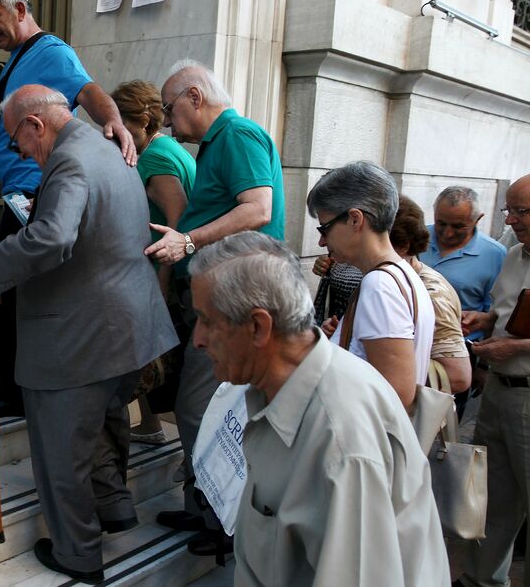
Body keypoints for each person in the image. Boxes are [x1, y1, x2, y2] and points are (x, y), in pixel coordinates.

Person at [0, 85, 177, 585]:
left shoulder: (70, 161)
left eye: (20, 143)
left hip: (82, 335)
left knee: (62, 448)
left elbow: (54, 236)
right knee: (105, 425)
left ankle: (78, 553)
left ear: (36, 124)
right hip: (127, 328)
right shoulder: (107, 147)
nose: (22, 154)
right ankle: (114, 508)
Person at [188, 231, 450, 586]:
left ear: (258, 327)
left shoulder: (341, 442)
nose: (198, 339)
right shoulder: (284, 390)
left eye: (207, 320)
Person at [0, 0, 135, 420]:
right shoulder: (19, 58)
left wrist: (112, 120)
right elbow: (18, 144)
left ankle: (13, 394)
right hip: (16, 194)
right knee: (16, 295)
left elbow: (89, 91)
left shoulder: (51, 51)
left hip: (35, 198)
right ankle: (18, 389)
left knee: (14, 292)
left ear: (21, 10)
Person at [143, 59, 285, 535]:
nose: (166, 120)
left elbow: (258, 208)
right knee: (207, 406)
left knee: (196, 407)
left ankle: (214, 516)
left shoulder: (239, 135)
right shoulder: (217, 143)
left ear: (195, 96)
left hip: (236, 297)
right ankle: (206, 509)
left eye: (169, 108)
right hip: (222, 294)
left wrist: (189, 241)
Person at [306, 161, 434, 408]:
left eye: (325, 227)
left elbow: (396, 393)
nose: (322, 241)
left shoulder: (380, 285)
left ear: (355, 219)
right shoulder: (400, 273)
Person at [455, 174, 530, 587]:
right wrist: (486, 321)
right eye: (510, 209)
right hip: (499, 392)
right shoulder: (514, 253)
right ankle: (480, 580)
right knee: (492, 500)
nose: (512, 219)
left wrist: (515, 349)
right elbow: (508, 314)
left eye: (521, 211)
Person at [110, 79, 195, 444]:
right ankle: (149, 424)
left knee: (159, 359)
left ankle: (187, 447)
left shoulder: (159, 155)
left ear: (143, 120)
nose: (113, 131)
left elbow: (178, 221)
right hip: (164, 269)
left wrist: (162, 279)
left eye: (121, 121)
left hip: (166, 272)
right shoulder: (169, 149)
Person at [390, 196, 472, 394]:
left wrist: (379, 361)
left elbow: (458, 378)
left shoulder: (431, 292)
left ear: (401, 246)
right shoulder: (392, 279)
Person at [419, 186, 506, 342]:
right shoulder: (416, 237)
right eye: (441, 223)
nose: (448, 233)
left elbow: (495, 313)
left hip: (457, 348)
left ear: (477, 219)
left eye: (458, 226)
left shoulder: (495, 254)